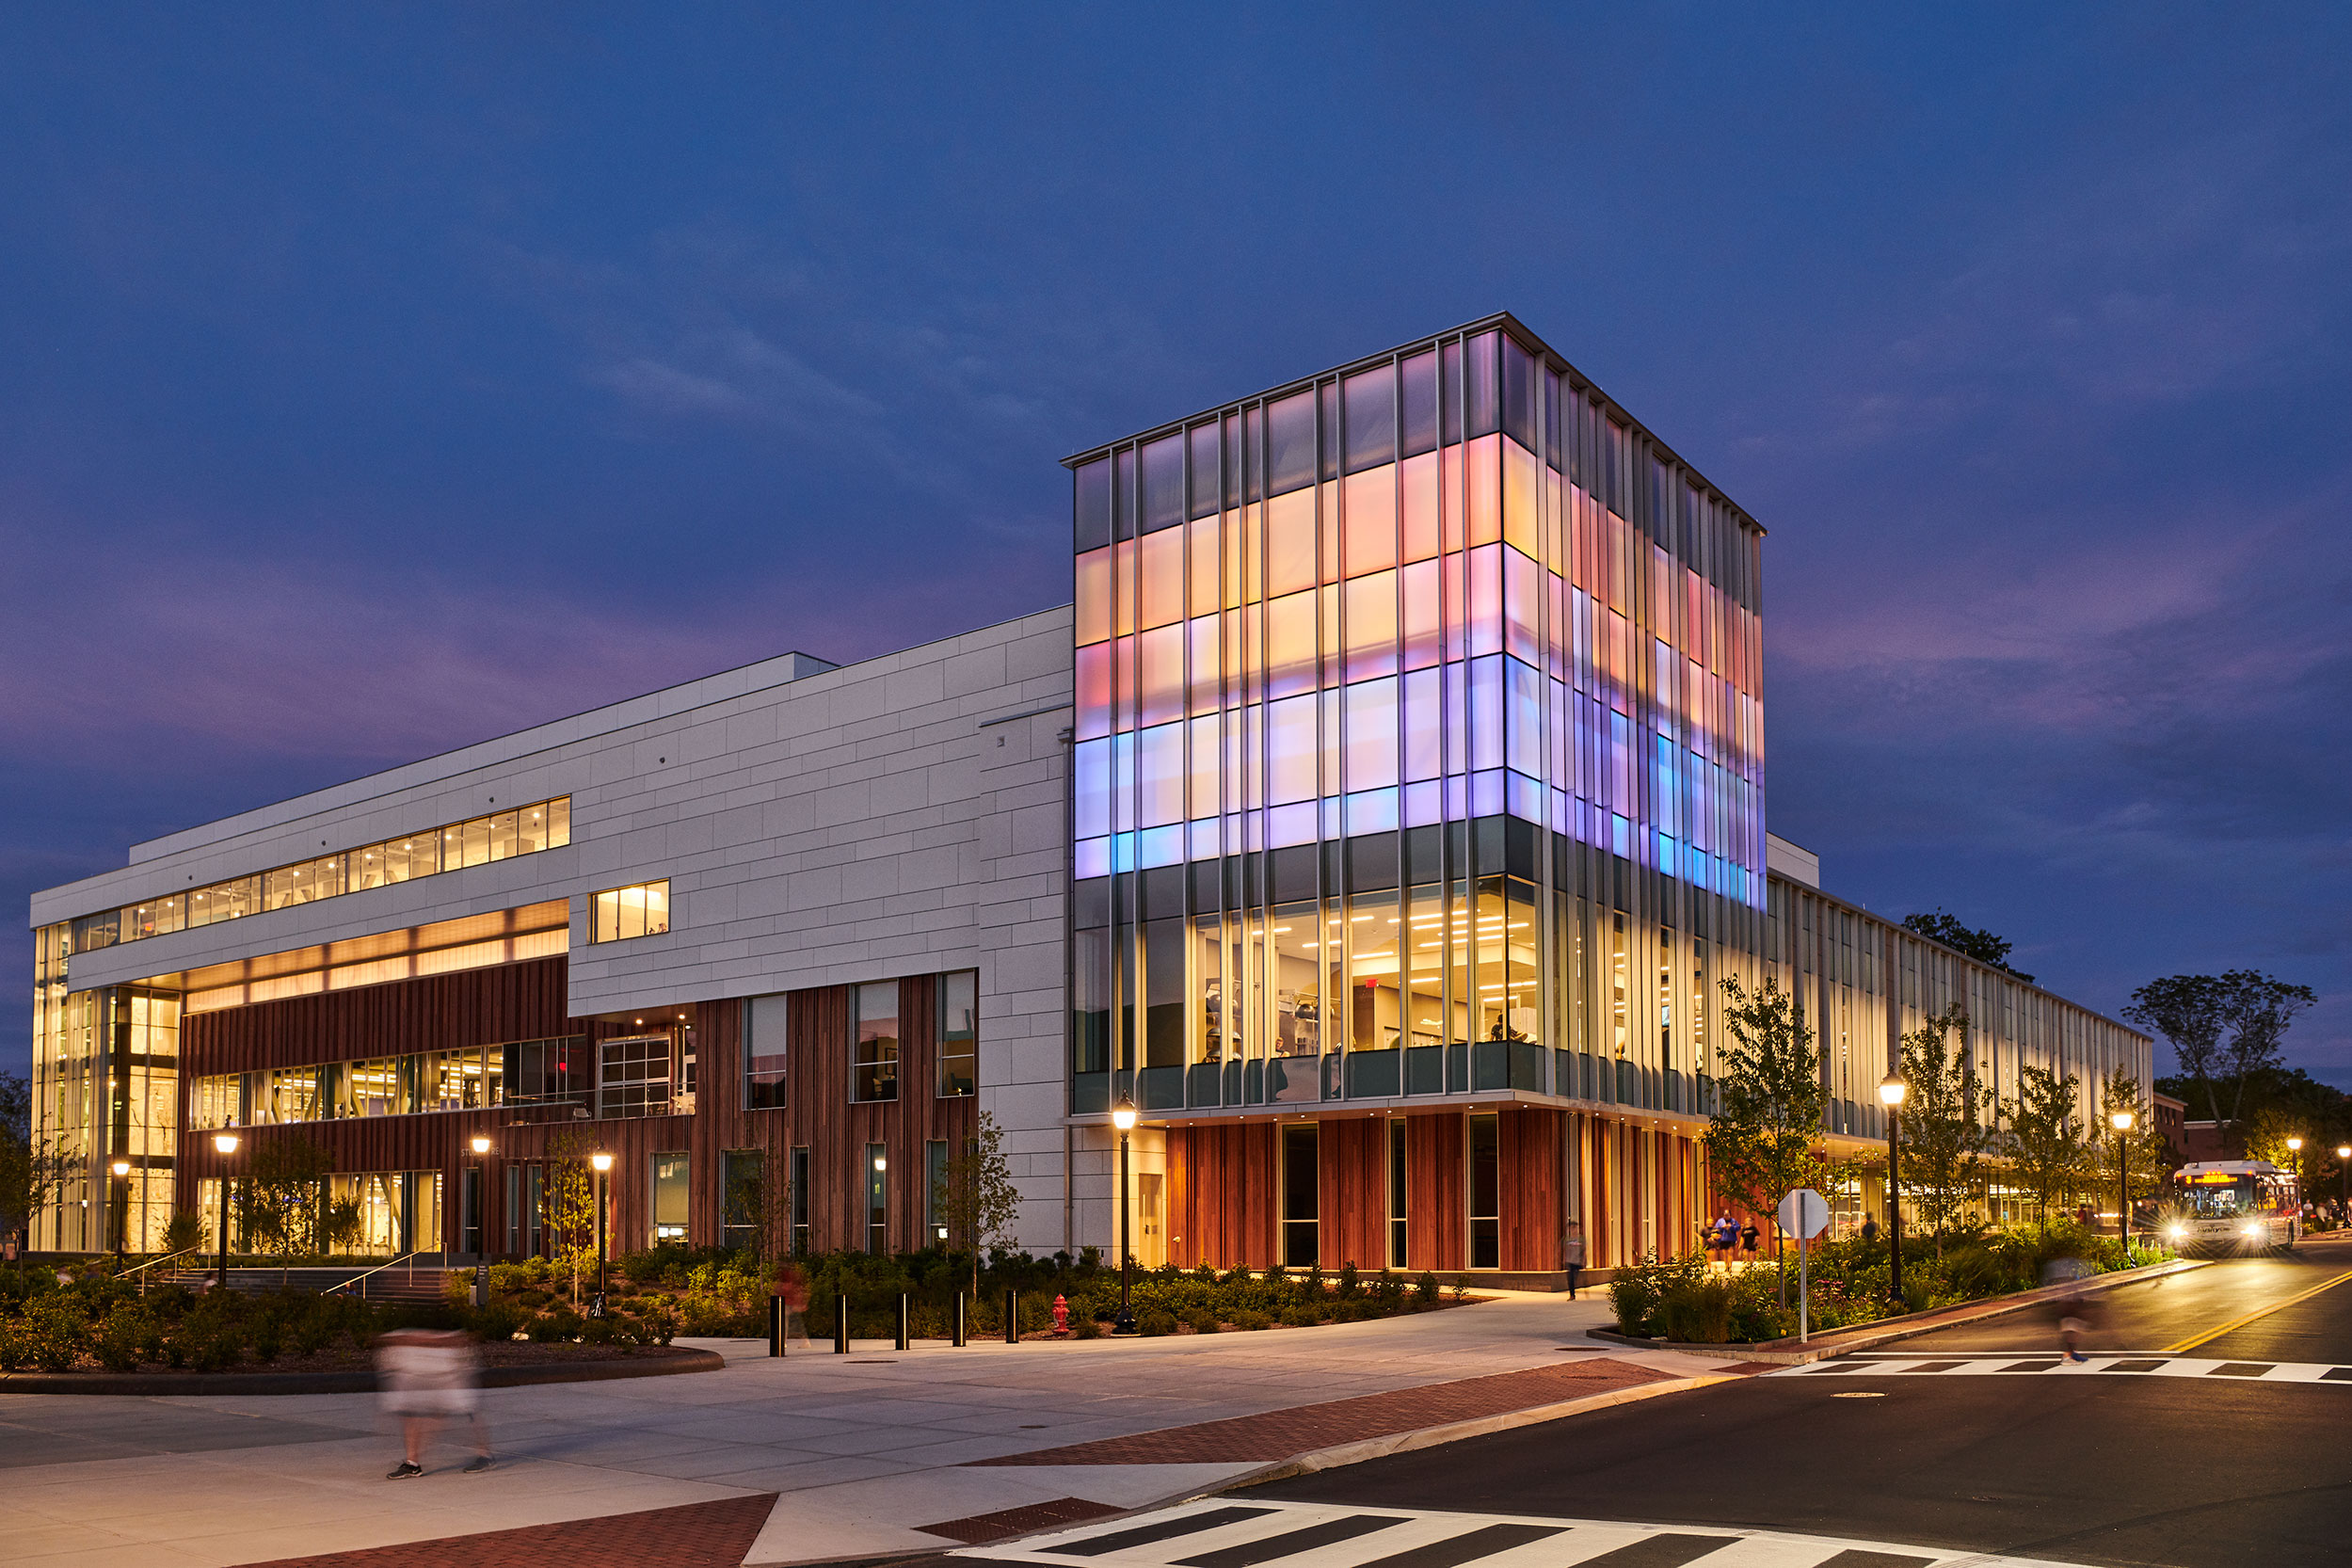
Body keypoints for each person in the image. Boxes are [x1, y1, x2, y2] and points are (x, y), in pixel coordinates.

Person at [378, 1327, 492, 1478]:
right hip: (419, 1361)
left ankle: (484, 1454)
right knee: (410, 1411)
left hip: (447, 1362)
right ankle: (412, 1463)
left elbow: (457, 1337)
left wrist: (425, 1340)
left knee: (464, 1408)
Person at [1562, 1220, 1586, 1299]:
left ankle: (1573, 1292)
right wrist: (1564, 1259)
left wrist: (1583, 1260)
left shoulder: (1581, 1239)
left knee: (1574, 1278)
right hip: (1570, 1261)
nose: (1573, 1230)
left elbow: (1584, 1250)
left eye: (1575, 1228)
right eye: (1571, 1228)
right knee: (1570, 1278)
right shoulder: (1567, 1239)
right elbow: (1564, 1249)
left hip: (1578, 1262)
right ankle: (1572, 1295)